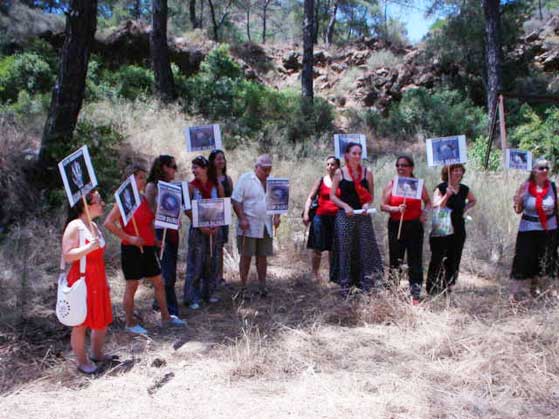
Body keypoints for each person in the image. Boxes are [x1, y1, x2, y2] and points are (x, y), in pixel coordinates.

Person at [104, 164, 185, 335]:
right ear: (130, 179)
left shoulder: (142, 198)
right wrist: (130, 238)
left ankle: (166, 317)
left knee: (159, 282)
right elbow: (108, 223)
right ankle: (130, 323)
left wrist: (155, 240)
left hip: (148, 248)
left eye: (143, 177)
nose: (143, 180)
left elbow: (148, 222)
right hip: (132, 249)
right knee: (132, 286)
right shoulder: (124, 200)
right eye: (140, 177)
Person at [62, 189, 113, 374]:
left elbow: (99, 258)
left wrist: (105, 281)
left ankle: (97, 354)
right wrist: (88, 247)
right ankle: (82, 362)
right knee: (80, 323)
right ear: (86, 205)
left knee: (101, 320)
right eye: (99, 201)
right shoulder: (75, 226)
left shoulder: (94, 226)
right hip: (82, 280)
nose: (103, 204)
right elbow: (68, 255)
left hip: (97, 279)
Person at [329, 143, 383, 295]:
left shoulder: (367, 172)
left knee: (365, 249)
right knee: (345, 249)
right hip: (345, 216)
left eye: (359, 153)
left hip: (363, 216)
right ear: (347, 155)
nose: (357, 156)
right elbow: (332, 196)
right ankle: (345, 285)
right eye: (354, 153)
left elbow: (371, 195)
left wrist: (367, 204)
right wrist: (345, 206)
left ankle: (366, 284)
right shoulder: (340, 173)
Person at [381, 155, 431, 304]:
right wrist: (396, 208)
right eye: (398, 166)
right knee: (396, 259)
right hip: (396, 225)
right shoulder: (391, 184)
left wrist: (425, 213)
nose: (400, 168)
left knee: (415, 259)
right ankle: (392, 291)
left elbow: (428, 202)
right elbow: (383, 206)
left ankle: (415, 293)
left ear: (411, 168)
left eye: (404, 165)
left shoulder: (418, 185)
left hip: (414, 225)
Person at [231, 154, 281, 297]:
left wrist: (277, 217)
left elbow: (277, 202)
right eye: (264, 169)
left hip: (265, 225)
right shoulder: (245, 179)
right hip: (249, 224)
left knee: (262, 256)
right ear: (256, 167)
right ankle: (243, 287)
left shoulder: (272, 182)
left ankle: (262, 286)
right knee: (246, 256)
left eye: (269, 169)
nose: (267, 172)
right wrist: (242, 218)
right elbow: (236, 200)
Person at [510, 159, 558, 301]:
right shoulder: (525, 187)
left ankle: (541, 289)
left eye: (546, 168)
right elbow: (518, 210)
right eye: (541, 168)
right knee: (523, 258)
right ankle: (515, 292)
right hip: (528, 229)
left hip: (549, 229)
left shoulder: (553, 187)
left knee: (547, 259)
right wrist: (518, 200)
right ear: (534, 171)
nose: (545, 171)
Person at [426, 164, 477, 295]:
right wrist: (447, 195)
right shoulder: (441, 187)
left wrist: (464, 209)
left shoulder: (464, 189)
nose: (458, 173)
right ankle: (432, 287)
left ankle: (447, 286)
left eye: (460, 170)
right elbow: (436, 205)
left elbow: (473, 200)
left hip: (458, 226)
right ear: (448, 172)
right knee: (438, 256)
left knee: (454, 257)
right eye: (455, 170)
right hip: (442, 224)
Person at [183, 155, 225, 309]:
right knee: (196, 263)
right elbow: (187, 209)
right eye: (192, 167)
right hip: (198, 230)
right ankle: (191, 297)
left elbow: (222, 205)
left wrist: (218, 226)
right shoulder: (190, 186)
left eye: (197, 167)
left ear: (205, 168)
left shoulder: (216, 185)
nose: (194, 170)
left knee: (212, 262)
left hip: (214, 229)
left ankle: (208, 293)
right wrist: (200, 226)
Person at [144, 155, 181, 317]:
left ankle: (159, 304)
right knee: (166, 272)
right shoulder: (152, 187)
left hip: (172, 232)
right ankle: (171, 310)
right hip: (159, 232)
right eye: (173, 166)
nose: (175, 170)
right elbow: (148, 212)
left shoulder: (170, 186)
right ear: (164, 167)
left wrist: (175, 217)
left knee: (170, 270)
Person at [303, 156, 340, 281]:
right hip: (320, 218)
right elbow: (310, 197)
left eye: (333, 164)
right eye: (328, 164)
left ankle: (333, 276)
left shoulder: (342, 181)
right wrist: (306, 214)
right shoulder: (320, 180)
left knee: (333, 249)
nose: (330, 167)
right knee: (317, 247)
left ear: (338, 166)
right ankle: (314, 274)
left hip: (336, 219)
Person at [209, 149, 234, 286]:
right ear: (212, 161)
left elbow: (231, 198)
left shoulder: (227, 179)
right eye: (218, 159)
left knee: (220, 246)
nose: (221, 161)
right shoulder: (208, 178)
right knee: (210, 246)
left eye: (223, 159)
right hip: (210, 215)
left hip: (223, 216)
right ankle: (210, 276)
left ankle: (219, 276)